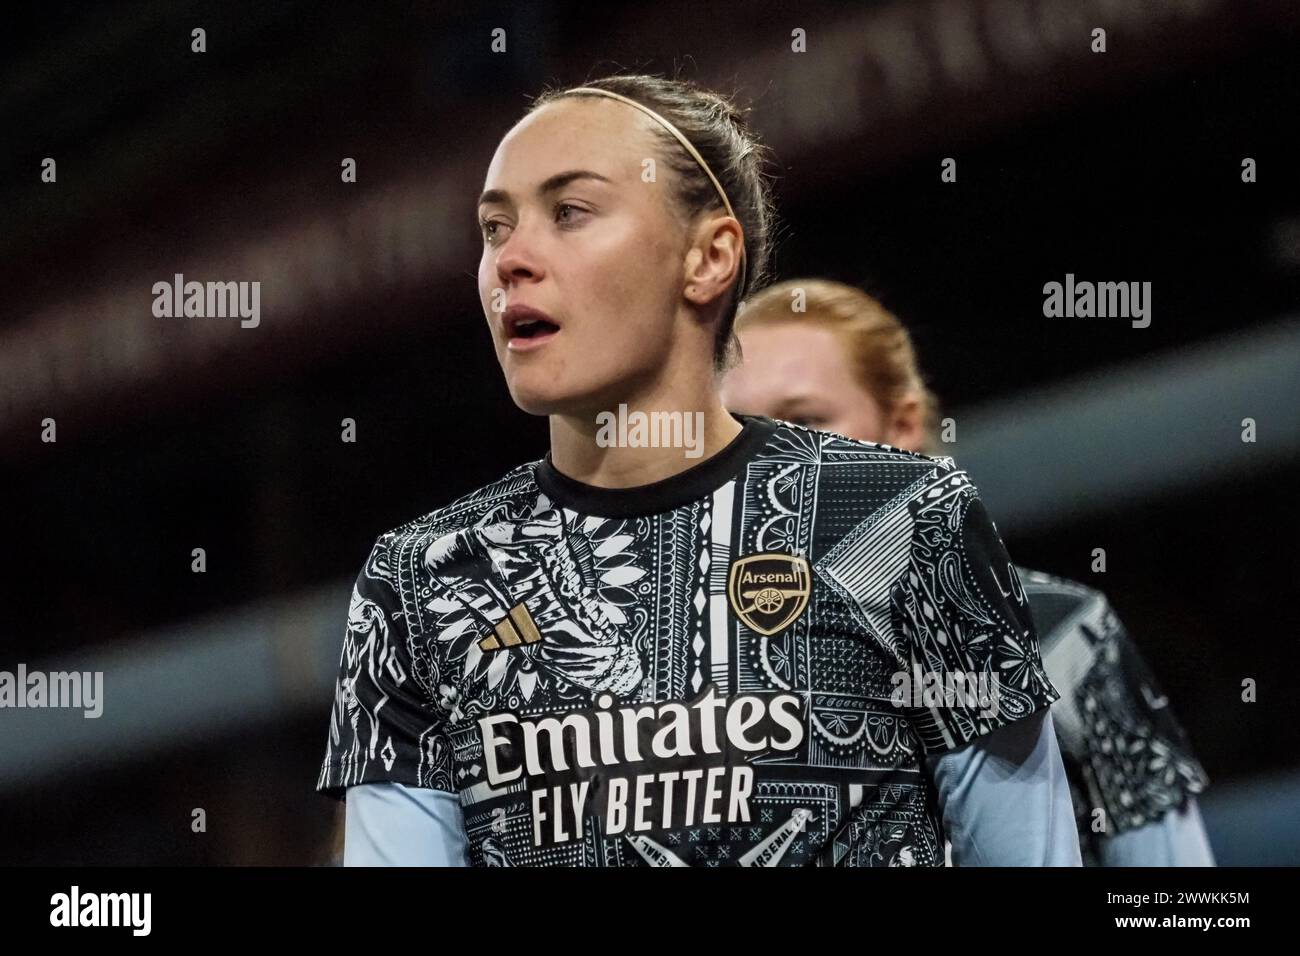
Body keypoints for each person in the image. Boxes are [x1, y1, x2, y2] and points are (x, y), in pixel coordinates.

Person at [316, 74, 1080, 866]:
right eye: (493, 226)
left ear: (709, 257)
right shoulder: (420, 580)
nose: (510, 259)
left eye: (569, 211)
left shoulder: (902, 517)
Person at [721, 278, 1214, 866]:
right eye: (744, 427)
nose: (777, 456)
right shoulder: (675, 648)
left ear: (902, 426)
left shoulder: (1063, 632)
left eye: (804, 419)